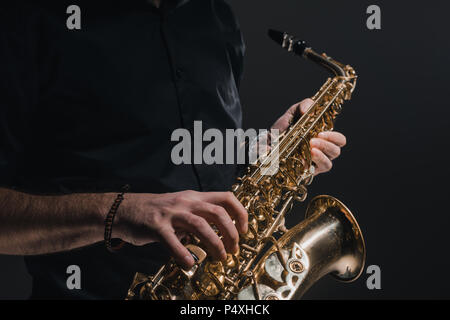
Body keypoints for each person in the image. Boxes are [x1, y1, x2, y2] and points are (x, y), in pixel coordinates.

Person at [0, 0, 346, 299]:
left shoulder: (212, 14)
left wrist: (273, 155)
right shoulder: (28, 21)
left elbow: (201, 162)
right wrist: (121, 213)